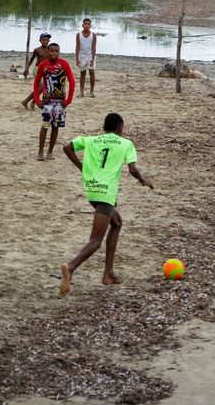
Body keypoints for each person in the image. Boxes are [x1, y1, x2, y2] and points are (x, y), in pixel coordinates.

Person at [59, 112, 153, 296]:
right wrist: (143, 180)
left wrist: (81, 167)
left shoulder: (91, 140)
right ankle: (70, 267)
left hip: (92, 189)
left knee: (117, 223)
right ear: (119, 128)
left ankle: (108, 274)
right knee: (95, 241)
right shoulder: (126, 144)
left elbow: (66, 147)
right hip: (105, 193)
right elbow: (132, 169)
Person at [33, 42, 76, 160]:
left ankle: (50, 152)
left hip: (60, 102)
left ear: (59, 52)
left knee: (56, 127)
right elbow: (36, 82)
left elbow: (72, 82)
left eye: (56, 51)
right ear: (48, 52)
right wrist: (37, 100)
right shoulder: (43, 65)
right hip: (47, 101)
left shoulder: (64, 64)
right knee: (45, 125)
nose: (54, 53)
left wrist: (68, 100)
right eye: (51, 51)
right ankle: (40, 151)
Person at [21, 32, 52, 110]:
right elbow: (31, 60)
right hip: (38, 69)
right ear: (40, 40)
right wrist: (26, 68)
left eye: (47, 40)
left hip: (47, 70)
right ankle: (33, 102)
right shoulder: (37, 50)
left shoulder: (51, 50)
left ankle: (27, 101)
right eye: (44, 40)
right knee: (41, 87)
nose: (45, 41)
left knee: (42, 88)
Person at [75, 18, 97, 98]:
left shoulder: (93, 35)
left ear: (90, 26)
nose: (87, 25)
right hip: (82, 56)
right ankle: (81, 91)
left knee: (92, 72)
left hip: (90, 56)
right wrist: (77, 58)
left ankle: (92, 90)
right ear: (82, 25)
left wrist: (93, 58)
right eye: (85, 24)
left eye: (88, 24)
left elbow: (94, 47)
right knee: (82, 74)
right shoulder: (79, 35)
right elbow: (77, 47)